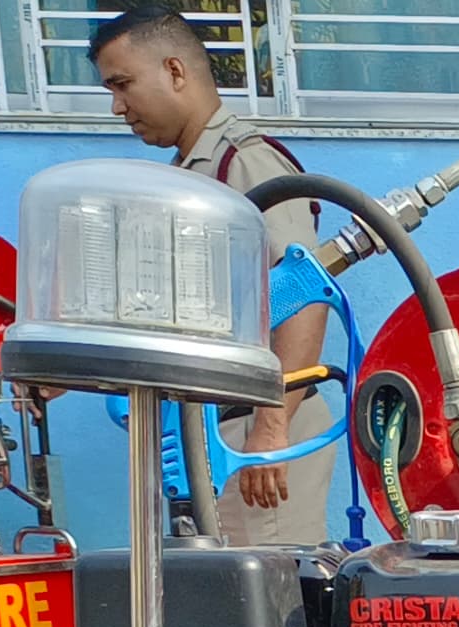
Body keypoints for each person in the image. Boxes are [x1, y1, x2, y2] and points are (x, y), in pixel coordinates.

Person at [90, 6, 334, 549]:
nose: (117, 106)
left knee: (269, 605)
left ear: (175, 71)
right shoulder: (190, 174)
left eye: (123, 84)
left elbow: (303, 294)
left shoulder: (245, 166)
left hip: (255, 432)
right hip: (213, 433)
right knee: (224, 605)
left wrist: (270, 431)